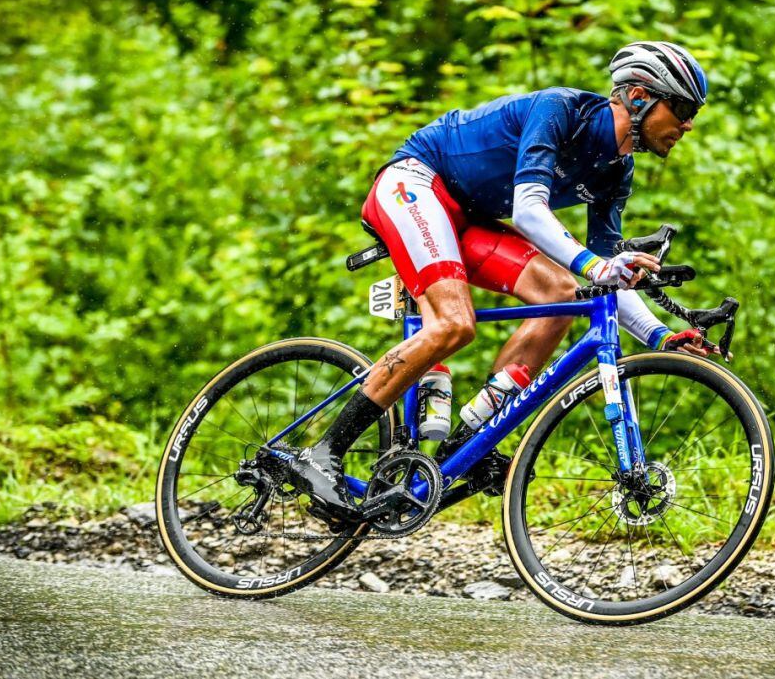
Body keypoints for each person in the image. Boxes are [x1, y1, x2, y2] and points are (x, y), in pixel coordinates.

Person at [290, 41, 710, 522]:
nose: (688, 124)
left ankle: (468, 439)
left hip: (470, 219)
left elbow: (609, 280)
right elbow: (531, 211)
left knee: (564, 294)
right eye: (680, 109)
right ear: (638, 97)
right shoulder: (561, 110)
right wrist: (596, 265)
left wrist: (661, 334)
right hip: (416, 184)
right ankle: (322, 453)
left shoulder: (619, 169)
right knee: (453, 324)